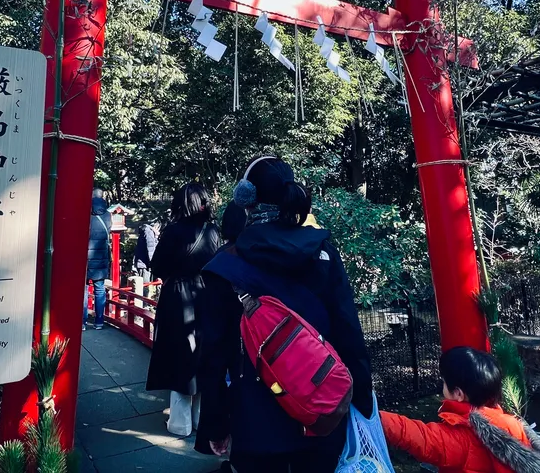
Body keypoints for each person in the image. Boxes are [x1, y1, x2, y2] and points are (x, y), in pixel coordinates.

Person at [196, 155, 373, 473]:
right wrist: (360, 400)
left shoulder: (224, 267)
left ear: (245, 199)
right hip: (323, 411)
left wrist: (215, 423)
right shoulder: (324, 253)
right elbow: (348, 331)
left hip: (254, 420)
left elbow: (211, 356)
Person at [380, 347, 540, 473]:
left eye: (444, 382)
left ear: (458, 394)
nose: (442, 386)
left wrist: (374, 415)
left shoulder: (463, 436)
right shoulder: (511, 423)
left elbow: (415, 434)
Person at [146, 183, 221, 437]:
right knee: (201, 356)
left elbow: (156, 266)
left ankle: (180, 423)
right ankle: (199, 419)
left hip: (178, 296)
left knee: (179, 356)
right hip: (206, 295)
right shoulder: (213, 231)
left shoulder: (174, 232)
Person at [85, 190, 113, 330]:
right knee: (99, 289)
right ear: (102, 197)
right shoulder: (108, 215)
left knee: (83, 290)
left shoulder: (85, 212)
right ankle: (99, 322)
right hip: (101, 255)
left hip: (85, 257)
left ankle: (82, 321)